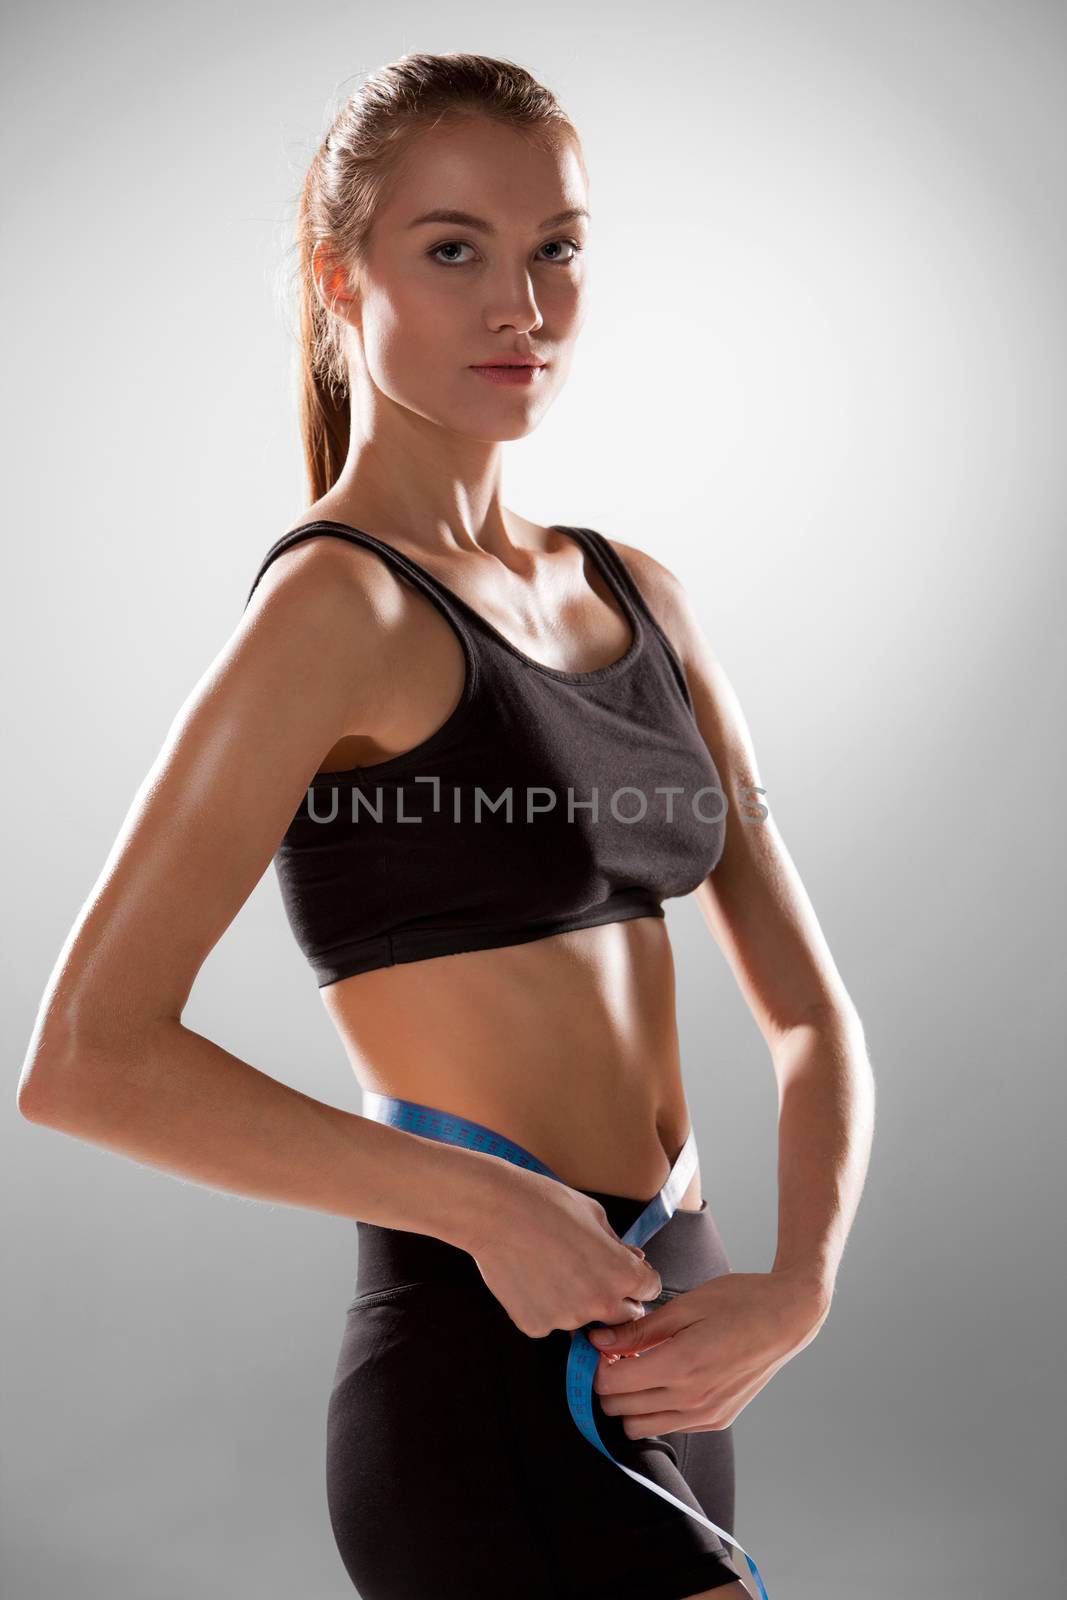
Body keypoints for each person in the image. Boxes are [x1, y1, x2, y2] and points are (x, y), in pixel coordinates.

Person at [17, 51, 875, 1600]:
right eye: (454, 248)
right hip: (483, 1364)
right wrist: (479, 1201)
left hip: (677, 1353)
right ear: (344, 281)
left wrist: (796, 1287)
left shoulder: (637, 593)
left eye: (558, 246)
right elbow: (86, 1059)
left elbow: (809, 1012)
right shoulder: (332, 609)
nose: (522, 305)